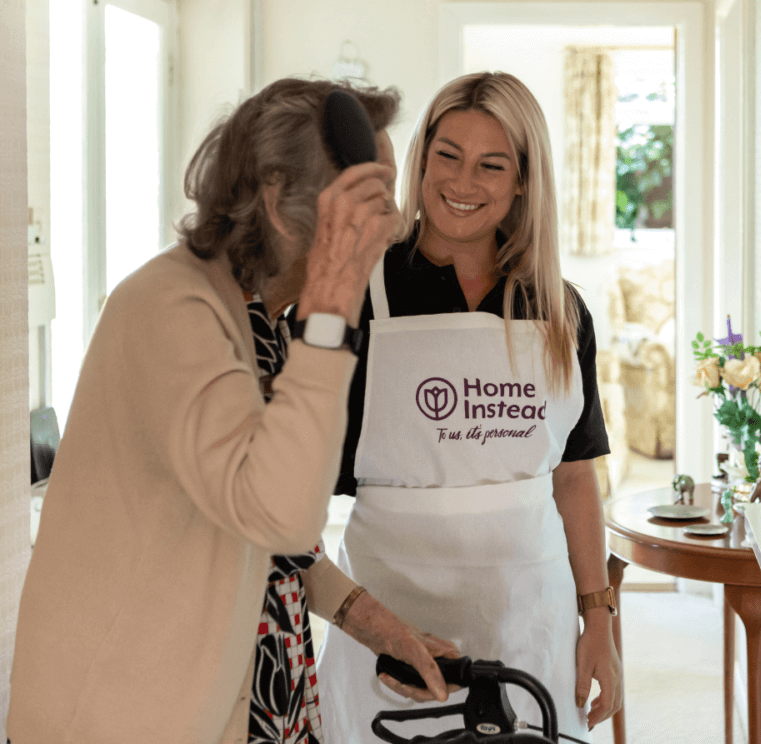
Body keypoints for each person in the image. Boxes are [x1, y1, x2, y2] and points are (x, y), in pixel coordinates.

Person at [7, 78, 457, 744]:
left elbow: (276, 541)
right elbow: (278, 506)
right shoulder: (170, 309)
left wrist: (372, 621)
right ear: (280, 203)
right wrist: (333, 306)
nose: (389, 224)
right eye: (365, 204)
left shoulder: (262, 321)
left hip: (222, 701)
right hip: (114, 718)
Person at [316, 71, 624, 743]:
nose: (463, 181)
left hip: (531, 614)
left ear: (522, 181)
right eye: (447, 154)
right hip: (392, 615)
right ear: (422, 158)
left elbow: (573, 477)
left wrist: (597, 620)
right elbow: (299, 481)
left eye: (492, 165)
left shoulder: (560, 310)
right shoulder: (360, 293)